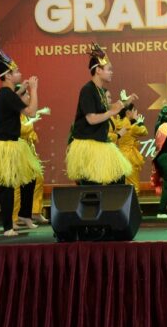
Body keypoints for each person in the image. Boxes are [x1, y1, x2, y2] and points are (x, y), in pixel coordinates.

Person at [0, 50, 42, 236]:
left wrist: (22, 89)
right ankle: (7, 227)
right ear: (8, 76)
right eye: (16, 71)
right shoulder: (6, 94)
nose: (20, 73)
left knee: (28, 178)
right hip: (5, 145)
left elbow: (13, 98)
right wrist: (34, 89)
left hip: (9, 144)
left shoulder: (6, 93)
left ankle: (22, 216)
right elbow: (31, 112)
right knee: (7, 187)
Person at [66, 44, 135, 186]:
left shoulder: (101, 91)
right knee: (92, 186)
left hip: (100, 143)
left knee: (118, 177)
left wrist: (124, 103)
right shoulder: (87, 90)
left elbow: (106, 108)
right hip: (88, 145)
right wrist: (111, 112)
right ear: (98, 70)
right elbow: (91, 119)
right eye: (109, 69)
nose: (111, 72)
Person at [12, 88, 50, 224]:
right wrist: (31, 121)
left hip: (28, 150)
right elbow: (19, 129)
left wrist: (39, 112)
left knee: (38, 178)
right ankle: (15, 216)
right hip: (18, 151)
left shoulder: (25, 112)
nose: (28, 96)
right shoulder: (15, 111)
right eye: (26, 94)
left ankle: (34, 211)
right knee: (18, 184)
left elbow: (29, 120)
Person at [109, 99, 148, 196]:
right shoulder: (132, 127)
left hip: (119, 156)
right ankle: (133, 205)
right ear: (128, 112)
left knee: (121, 186)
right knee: (133, 186)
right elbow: (144, 131)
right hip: (130, 158)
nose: (136, 112)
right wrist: (139, 122)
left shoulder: (117, 122)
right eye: (134, 110)